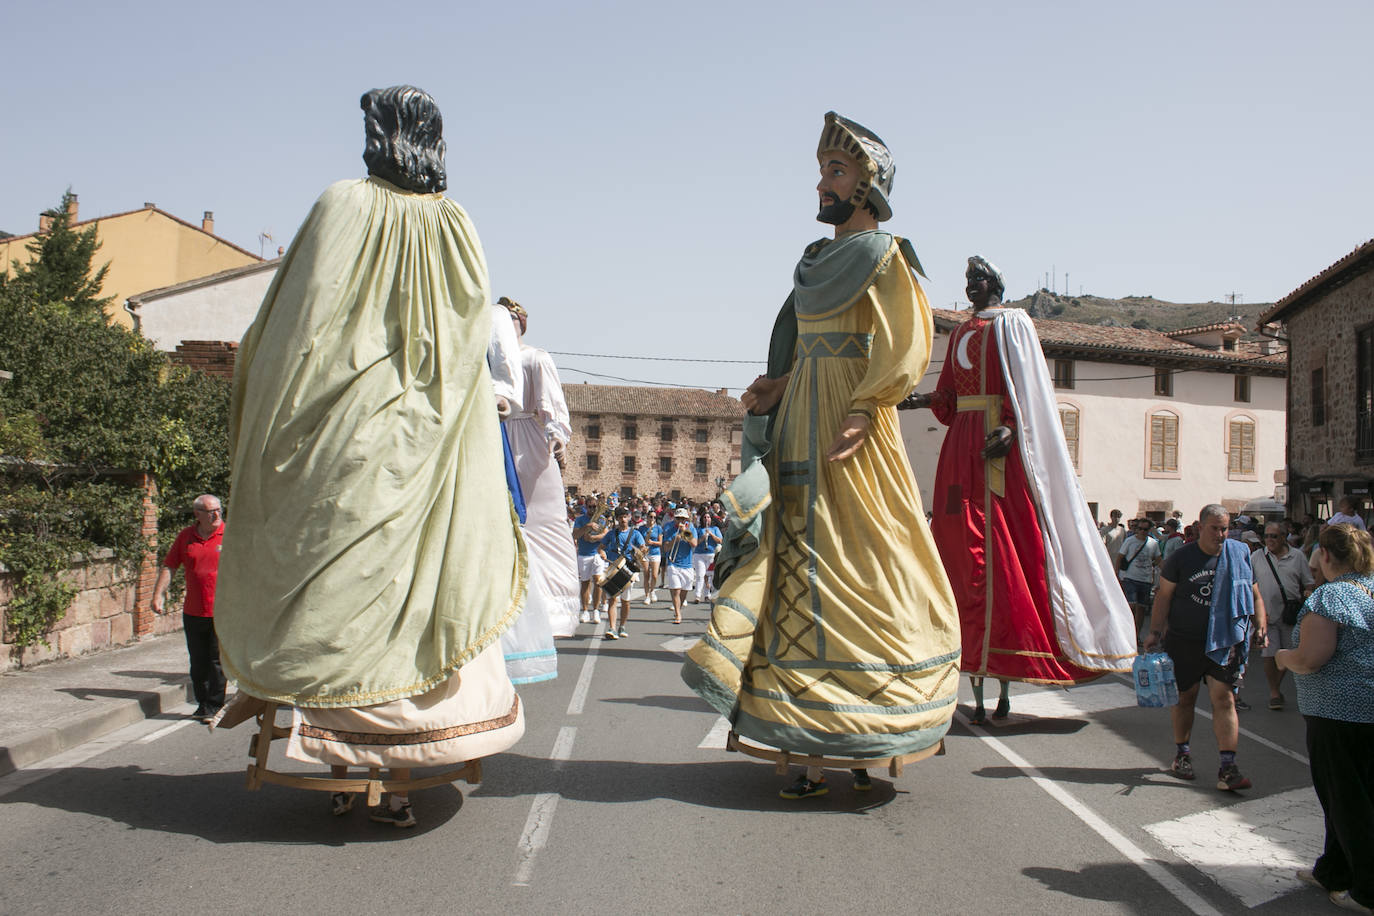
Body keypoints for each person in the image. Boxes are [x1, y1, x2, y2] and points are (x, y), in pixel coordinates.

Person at [212, 86, 527, 827]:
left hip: (346, 430)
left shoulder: (342, 204)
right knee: (413, 585)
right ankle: (404, 748)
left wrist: (265, 398)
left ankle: (350, 745)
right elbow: (467, 335)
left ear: (378, 137)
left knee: (341, 581)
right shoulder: (457, 223)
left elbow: (295, 323)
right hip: (430, 434)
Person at [683, 112, 959, 799]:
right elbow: (805, 344)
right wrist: (779, 384)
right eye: (823, 170)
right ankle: (804, 736)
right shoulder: (810, 261)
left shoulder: (886, 255)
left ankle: (869, 728)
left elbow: (905, 343)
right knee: (799, 554)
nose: (822, 182)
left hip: (849, 422)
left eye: (836, 171)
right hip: (802, 413)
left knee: (866, 552)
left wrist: (869, 406)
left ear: (868, 186)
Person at [902, 256, 1136, 723]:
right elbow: (949, 395)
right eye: (967, 280)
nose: (971, 287)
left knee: (997, 548)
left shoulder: (1014, 325)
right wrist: (920, 398)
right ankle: (962, 657)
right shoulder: (961, 333)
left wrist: (1011, 427)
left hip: (995, 445)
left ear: (994, 284)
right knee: (956, 548)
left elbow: (1027, 390)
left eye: (978, 279)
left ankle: (1008, 656)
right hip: (958, 449)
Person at [1275, 523, 1374, 914]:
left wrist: (1284, 658)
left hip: (1339, 713)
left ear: (1326, 556)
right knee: (1352, 795)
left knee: (1346, 799)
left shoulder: (1331, 598)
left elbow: (1311, 659)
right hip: (1365, 711)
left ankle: (1366, 889)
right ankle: (1333, 869)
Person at [1145, 504, 1268, 792]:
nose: (1221, 534)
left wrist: (1260, 624)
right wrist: (1154, 631)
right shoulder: (1181, 558)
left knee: (1224, 699)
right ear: (1200, 527)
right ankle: (1182, 754)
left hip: (1225, 640)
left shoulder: (1239, 555)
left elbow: (1255, 594)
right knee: (1185, 698)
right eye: (1215, 528)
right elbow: (1164, 596)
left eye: (1225, 528)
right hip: (1185, 640)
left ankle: (1228, 767)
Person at [498, 297, 579, 683]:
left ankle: (551, 612)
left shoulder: (536, 358)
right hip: (495, 434)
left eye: (512, 319)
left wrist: (557, 437)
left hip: (529, 439)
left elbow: (554, 407)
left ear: (521, 324)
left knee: (543, 524)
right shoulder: (487, 360)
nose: (507, 324)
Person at [152, 494, 227, 723]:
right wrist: (158, 595)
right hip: (194, 610)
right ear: (197, 514)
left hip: (222, 611)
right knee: (198, 662)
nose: (216, 515)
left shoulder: (231, 535)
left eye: (218, 510)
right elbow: (170, 566)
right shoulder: (186, 537)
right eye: (210, 511)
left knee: (217, 661)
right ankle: (202, 702)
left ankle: (214, 706)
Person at [1254, 521, 1315, 710]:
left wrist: (1307, 596)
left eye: (1274, 536)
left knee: (1288, 654)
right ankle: (1274, 691)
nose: (1269, 540)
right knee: (1268, 654)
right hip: (1266, 615)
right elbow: (1249, 585)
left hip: (1290, 614)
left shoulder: (1297, 557)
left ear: (1283, 537)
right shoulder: (1256, 557)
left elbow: (1309, 583)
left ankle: (1277, 687)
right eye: (1266, 536)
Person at [598, 507, 645, 639]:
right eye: (620, 517)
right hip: (613, 569)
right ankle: (612, 628)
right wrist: (602, 553)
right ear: (617, 519)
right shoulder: (611, 534)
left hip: (628, 569)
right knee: (612, 599)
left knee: (625, 601)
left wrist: (642, 550)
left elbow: (642, 548)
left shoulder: (635, 533)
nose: (623, 519)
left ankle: (622, 626)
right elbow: (600, 547)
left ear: (629, 517)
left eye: (625, 516)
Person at [1119, 519, 1163, 643]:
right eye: (1140, 529)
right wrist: (1117, 574)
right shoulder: (1129, 541)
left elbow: (1158, 559)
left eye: (1145, 529)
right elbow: (1120, 557)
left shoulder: (1153, 543)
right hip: (1130, 577)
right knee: (1131, 606)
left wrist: (1166, 574)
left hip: (1146, 579)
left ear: (1149, 530)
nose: (1142, 531)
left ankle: (1136, 635)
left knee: (1142, 609)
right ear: (1137, 529)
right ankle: (1127, 633)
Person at [573, 499, 609, 623]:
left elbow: (606, 535)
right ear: (586, 507)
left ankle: (596, 610)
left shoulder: (602, 519)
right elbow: (575, 535)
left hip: (597, 554)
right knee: (585, 583)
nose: (592, 509)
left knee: (598, 582)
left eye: (594, 507)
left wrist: (593, 538)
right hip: (584, 554)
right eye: (590, 507)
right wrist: (587, 526)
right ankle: (585, 611)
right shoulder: (580, 520)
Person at [661, 508, 697, 624]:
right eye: (678, 518)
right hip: (673, 563)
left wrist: (684, 532)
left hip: (687, 564)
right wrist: (674, 541)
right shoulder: (669, 528)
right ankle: (678, 614)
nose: (680, 521)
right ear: (674, 518)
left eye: (683, 519)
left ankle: (678, 609)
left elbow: (694, 544)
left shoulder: (691, 528)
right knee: (676, 590)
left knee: (684, 591)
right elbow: (666, 548)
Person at [691, 506, 721, 604]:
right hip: (699, 554)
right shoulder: (698, 529)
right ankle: (697, 596)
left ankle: (707, 595)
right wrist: (703, 538)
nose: (706, 519)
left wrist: (711, 535)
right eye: (704, 517)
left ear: (711, 519)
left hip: (711, 554)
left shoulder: (715, 528)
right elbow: (695, 542)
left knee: (710, 575)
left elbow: (720, 541)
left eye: (708, 517)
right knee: (700, 575)